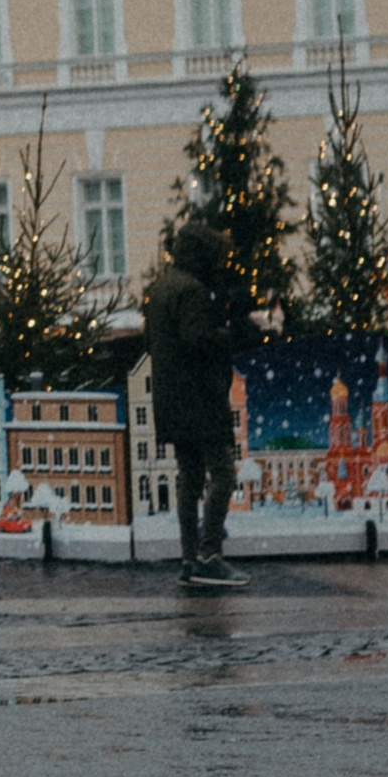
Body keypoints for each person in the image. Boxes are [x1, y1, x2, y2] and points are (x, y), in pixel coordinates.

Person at [143, 209, 252, 589]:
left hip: (171, 400)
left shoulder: (160, 288)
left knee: (188, 479)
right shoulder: (191, 290)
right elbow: (198, 341)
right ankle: (210, 555)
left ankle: (189, 558)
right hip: (200, 399)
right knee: (223, 474)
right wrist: (229, 334)